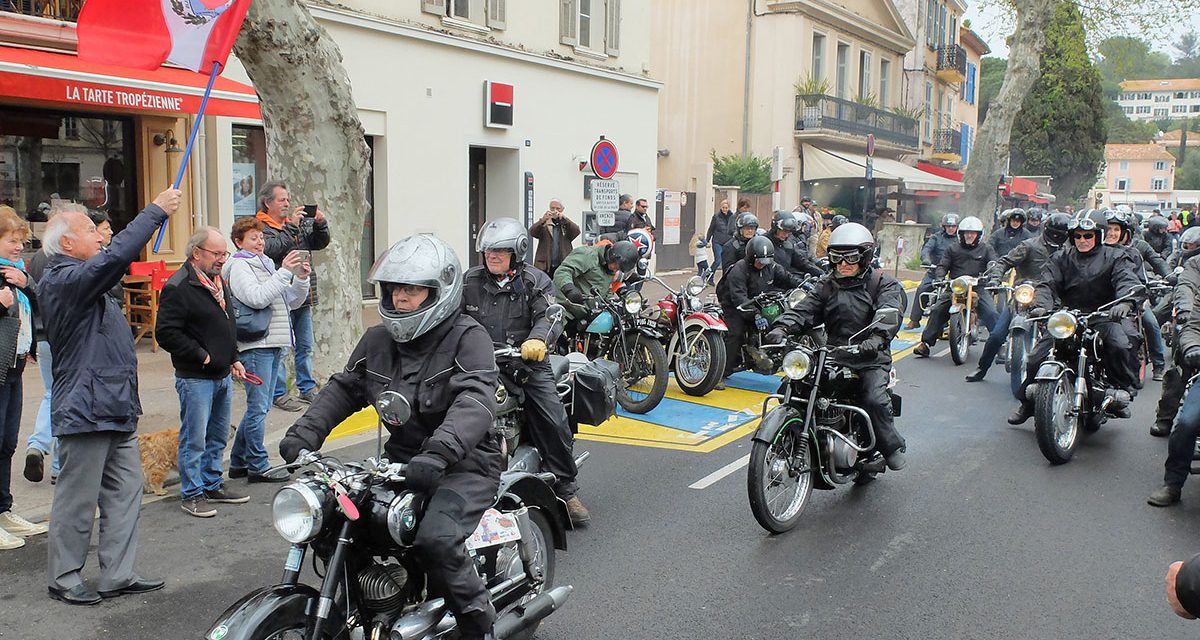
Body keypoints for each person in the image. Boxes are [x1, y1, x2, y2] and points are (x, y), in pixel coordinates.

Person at [279, 234, 501, 640]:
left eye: (413, 289)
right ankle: (372, 606)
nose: (400, 298)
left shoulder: (469, 338)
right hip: (399, 462)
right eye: (396, 288)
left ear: (440, 291)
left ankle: (477, 625)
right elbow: (346, 387)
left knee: (436, 539)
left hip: (464, 463)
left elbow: (475, 401)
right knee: (333, 524)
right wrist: (304, 434)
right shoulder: (378, 339)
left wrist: (438, 454)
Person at [41, 188, 180, 605]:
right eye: (90, 230)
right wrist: (153, 212)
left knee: (126, 491)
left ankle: (117, 574)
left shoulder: (85, 281)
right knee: (77, 500)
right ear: (67, 243)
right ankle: (64, 577)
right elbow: (115, 257)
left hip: (114, 405)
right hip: (87, 407)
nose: (101, 236)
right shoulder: (64, 279)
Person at [463, 218, 588, 524]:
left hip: (526, 364)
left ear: (517, 252)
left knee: (552, 418)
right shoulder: (470, 282)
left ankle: (565, 488)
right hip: (480, 365)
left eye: (500, 251)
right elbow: (451, 318)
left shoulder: (536, 281)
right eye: (488, 250)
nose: (492, 255)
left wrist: (537, 338)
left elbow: (550, 314)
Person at [766, 223, 907, 470]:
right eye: (836, 257)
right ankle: (790, 439)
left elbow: (890, 311)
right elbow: (804, 311)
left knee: (873, 398)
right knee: (792, 386)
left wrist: (875, 340)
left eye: (850, 257)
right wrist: (781, 328)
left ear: (865, 257)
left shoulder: (882, 284)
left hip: (869, 355)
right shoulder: (827, 285)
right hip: (832, 354)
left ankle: (891, 446)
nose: (843, 264)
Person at [1008, 209, 1143, 425]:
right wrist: (1042, 307)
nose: (1082, 240)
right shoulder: (1061, 257)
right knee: (1036, 358)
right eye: (1077, 235)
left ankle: (1119, 392)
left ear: (1098, 235)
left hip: (1104, 316)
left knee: (1120, 344)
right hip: (1067, 317)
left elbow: (1127, 281)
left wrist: (1125, 302)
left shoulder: (1116, 257)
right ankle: (1029, 402)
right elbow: (1046, 284)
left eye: (1088, 235)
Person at [155, 227, 250, 517]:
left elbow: (226, 324)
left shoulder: (217, 282)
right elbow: (166, 333)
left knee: (218, 436)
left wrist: (233, 357)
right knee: (194, 439)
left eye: (224, 254)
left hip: (221, 374)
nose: (222, 259)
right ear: (197, 253)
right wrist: (202, 355)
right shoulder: (179, 285)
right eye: (217, 253)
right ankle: (192, 494)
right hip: (195, 377)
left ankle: (212, 484)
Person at [224, 217, 310, 483]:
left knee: (258, 407)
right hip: (256, 345)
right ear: (239, 242)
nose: (260, 242)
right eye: (253, 238)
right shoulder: (238, 266)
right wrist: (284, 272)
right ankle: (258, 465)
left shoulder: (266, 264)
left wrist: (301, 279)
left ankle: (239, 462)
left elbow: (290, 302)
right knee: (259, 407)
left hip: (274, 342)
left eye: (261, 238)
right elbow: (257, 297)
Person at [23, 202, 90, 486]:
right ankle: (59, 463)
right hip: (59, 335)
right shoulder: (60, 259)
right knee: (63, 396)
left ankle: (39, 445)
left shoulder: (37, 258)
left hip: (41, 336)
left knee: (53, 394)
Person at [966, 212, 1070, 382]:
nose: (1056, 237)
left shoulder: (1069, 251)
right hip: (1024, 296)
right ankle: (981, 368)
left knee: (1066, 336)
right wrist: (995, 278)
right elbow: (1004, 262)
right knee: (997, 335)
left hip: (1054, 299)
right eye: (1053, 233)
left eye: (1061, 235)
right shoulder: (1029, 245)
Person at [255, 181, 330, 411]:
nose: (287, 203)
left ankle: (306, 388)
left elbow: (320, 243)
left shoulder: (292, 225)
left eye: (288, 199)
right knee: (281, 347)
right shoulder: (260, 228)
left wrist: (320, 224)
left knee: (305, 345)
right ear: (268, 203)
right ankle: (279, 393)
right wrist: (293, 228)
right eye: (282, 200)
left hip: (302, 292)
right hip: (279, 297)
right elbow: (274, 248)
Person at [0, 207, 42, 551]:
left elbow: (42, 306)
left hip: (14, 367)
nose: (18, 247)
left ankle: (4, 510)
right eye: (12, 241)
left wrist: (27, 285)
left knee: (7, 444)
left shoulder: (17, 272)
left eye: (20, 241)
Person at [716, 236, 805, 384]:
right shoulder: (739, 269)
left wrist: (803, 284)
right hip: (734, 305)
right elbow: (739, 298)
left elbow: (787, 277)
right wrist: (756, 315)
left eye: (766, 261)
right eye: (759, 261)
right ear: (751, 257)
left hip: (759, 302)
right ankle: (722, 373)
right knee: (736, 334)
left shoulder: (771, 265)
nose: (762, 264)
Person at [914, 216, 999, 357]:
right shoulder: (952, 249)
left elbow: (994, 264)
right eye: (966, 232)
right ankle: (926, 344)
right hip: (956, 286)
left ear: (979, 234)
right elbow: (943, 265)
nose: (969, 235)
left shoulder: (986, 249)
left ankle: (1000, 344)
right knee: (937, 310)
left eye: (973, 233)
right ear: (961, 234)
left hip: (978, 286)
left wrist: (993, 276)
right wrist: (940, 277)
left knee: (991, 312)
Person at [1105, 209, 1169, 381]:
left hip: (1134, 297)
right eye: (1108, 229)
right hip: (1104, 302)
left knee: (1151, 323)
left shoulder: (1138, 248)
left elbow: (1157, 262)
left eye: (1116, 230)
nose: (1111, 233)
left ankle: (1158, 365)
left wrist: (1168, 275)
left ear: (1126, 232)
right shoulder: (1095, 250)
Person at [1152, 227, 1200, 438]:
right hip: (1195, 322)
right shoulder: (1194, 263)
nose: (1188, 248)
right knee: (1180, 368)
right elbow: (1186, 286)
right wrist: (1186, 311)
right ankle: (1164, 418)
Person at [553, 240, 639, 322]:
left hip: (587, 314)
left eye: (619, 269)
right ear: (612, 256)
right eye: (616, 266)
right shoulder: (588, 255)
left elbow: (605, 290)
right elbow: (563, 271)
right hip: (567, 308)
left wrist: (614, 304)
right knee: (554, 330)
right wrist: (569, 289)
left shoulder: (609, 269)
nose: (616, 270)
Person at [904, 213, 959, 330]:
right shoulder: (936, 237)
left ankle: (962, 321)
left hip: (954, 274)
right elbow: (927, 249)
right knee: (922, 289)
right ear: (943, 226)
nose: (951, 228)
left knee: (962, 294)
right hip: (934, 271)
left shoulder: (960, 240)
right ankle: (914, 320)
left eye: (953, 226)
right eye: (948, 226)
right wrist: (926, 260)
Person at [529, 198, 579, 276]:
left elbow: (576, 231)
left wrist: (565, 219)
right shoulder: (544, 224)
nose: (555, 211)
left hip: (562, 265)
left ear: (562, 209)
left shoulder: (566, 224)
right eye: (552, 208)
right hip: (544, 266)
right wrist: (542, 220)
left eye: (558, 208)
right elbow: (532, 232)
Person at [767, 210, 823, 278]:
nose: (786, 235)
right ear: (775, 228)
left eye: (789, 232)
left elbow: (802, 262)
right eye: (784, 231)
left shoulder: (787, 244)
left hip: (786, 282)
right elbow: (778, 270)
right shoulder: (765, 243)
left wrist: (821, 273)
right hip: (770, 284)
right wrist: (797, 281)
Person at [704, 199, 735, 273]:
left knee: (727, 262)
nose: (724, 209)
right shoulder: (716, 217)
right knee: (718, 260)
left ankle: (725, 279)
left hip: (728, 242)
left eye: (726, 208)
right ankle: (709, 276)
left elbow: (734, 229)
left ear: (729, 208)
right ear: (721, 207)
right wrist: (707, 241)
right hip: (717, 242)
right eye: (723, 207)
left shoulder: (732, 217)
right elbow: (711, 229)